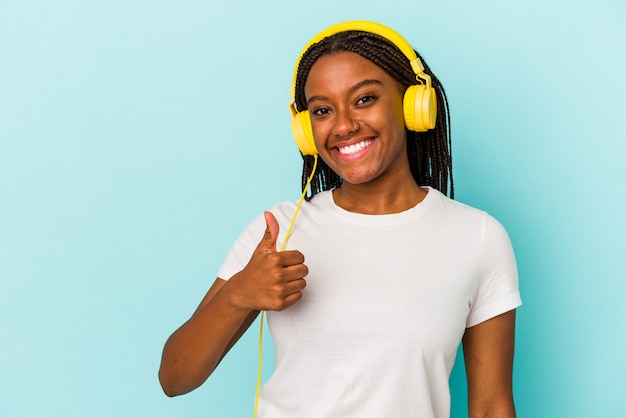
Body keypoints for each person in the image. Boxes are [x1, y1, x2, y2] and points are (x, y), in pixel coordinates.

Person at [159, 20, 521, 418]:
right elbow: (174, 378)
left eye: (364, 99)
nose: (344, 125)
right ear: (305, 129)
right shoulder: (278, 231)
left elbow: (490, 406)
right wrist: (239, 294)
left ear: (413, 105)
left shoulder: (478, 237)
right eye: (322, 110)